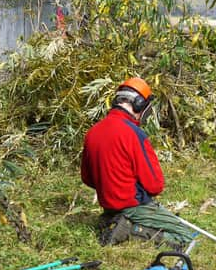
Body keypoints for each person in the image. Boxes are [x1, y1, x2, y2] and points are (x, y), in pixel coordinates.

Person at [81, 77, 194, 249]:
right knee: (184, 236)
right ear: (139, 104)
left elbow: (87, 178)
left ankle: (113, 221)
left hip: (109, 206)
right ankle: (130, 229)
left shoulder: (93, 132)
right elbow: (155, 185)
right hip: (134, 206)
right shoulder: (133, 134)